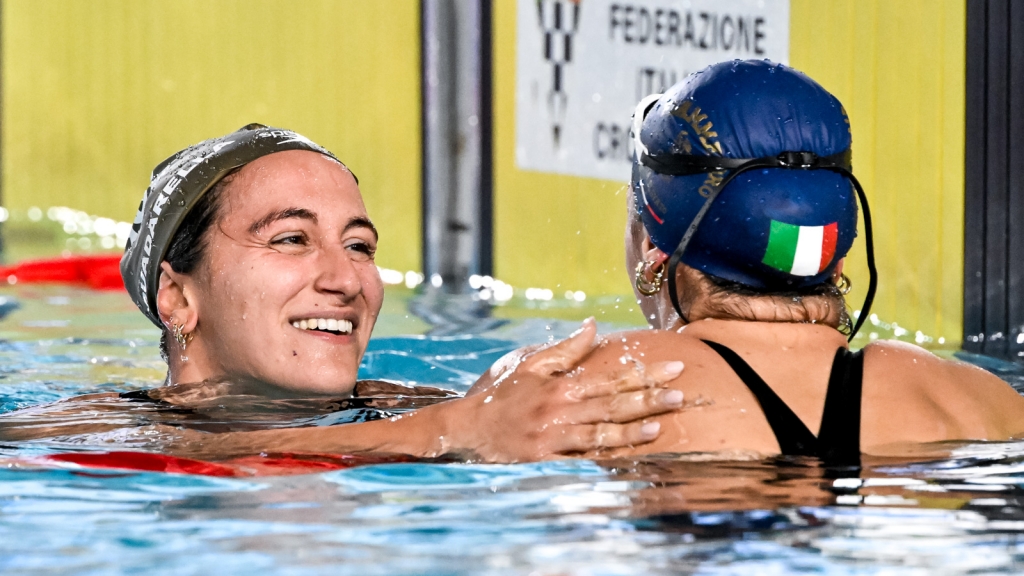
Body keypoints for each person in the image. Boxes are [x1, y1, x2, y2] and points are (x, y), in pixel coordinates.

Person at [0, 124, 686, 462]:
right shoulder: (74, 433)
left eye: (359, 246)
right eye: (290, 239)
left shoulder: (435, 407)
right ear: (177, 298)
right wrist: (450, 434)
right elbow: (171, 445)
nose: (344, 279)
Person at [467, 60, 1024, 463]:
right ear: (836, 256)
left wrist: (464, 422)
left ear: (654, 252)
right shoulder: (979, 401)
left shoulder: (564, 391)